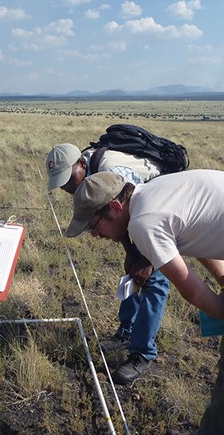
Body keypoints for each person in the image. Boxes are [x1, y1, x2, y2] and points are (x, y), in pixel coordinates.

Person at [65, 170, 224, 434]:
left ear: (115, 206)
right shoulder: (152, 194)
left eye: (93, 225)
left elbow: (194, 292)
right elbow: (200, 240)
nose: (94, 235)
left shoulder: (143, 222)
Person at [45, 142, 170, 384]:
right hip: (138, 216)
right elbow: (122, 218)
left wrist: (146, 259)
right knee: (132, 270)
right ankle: (127, 331)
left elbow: (139, 209)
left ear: (82, 163)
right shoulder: (91, 177)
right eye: (61, 185)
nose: (68, 188)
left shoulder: (115, 171)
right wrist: (129, 252)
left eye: (69, 180)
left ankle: (143, 354)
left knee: (154, 280)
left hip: (161, 214)